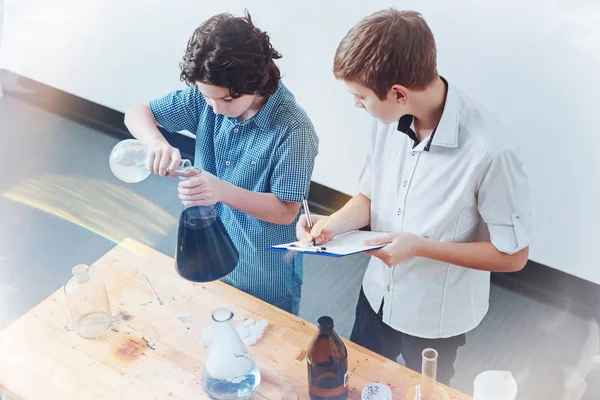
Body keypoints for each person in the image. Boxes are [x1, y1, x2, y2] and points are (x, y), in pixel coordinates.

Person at [297, 8, 530, 384]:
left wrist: (419, 247)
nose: (356, 105)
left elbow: (514, 255)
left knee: (420, 392)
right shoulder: (387, 120)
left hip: (434, 317)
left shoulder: (491, 150)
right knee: (361, 381)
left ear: (399, 94)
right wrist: (331, 225)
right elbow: (370, 196)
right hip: (376, 297)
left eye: (360, 97)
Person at [125, 11, 318, 315]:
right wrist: (156, 142)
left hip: (263, 276)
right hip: (208, 258)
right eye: (207, 96)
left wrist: (220, 191)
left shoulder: (294, 131)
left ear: (259, 80)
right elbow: (136, 113)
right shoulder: (208, 99)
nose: (214, 109)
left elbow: (285, 212)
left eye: (226, 100)